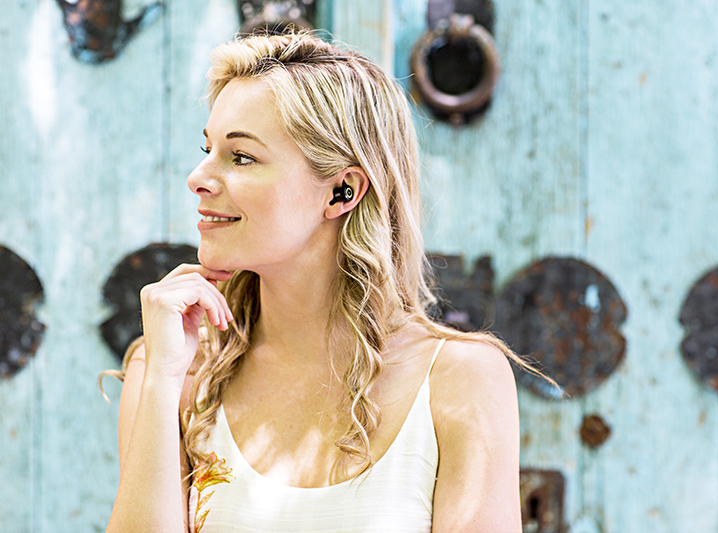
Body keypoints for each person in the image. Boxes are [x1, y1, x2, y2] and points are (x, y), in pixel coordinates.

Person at [106, 31, 535, 533]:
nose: (197, 177)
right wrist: (162, 379)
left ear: (342, 191)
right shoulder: (171, 368)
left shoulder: (459, 379)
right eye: (208, 149)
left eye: (241, 156)